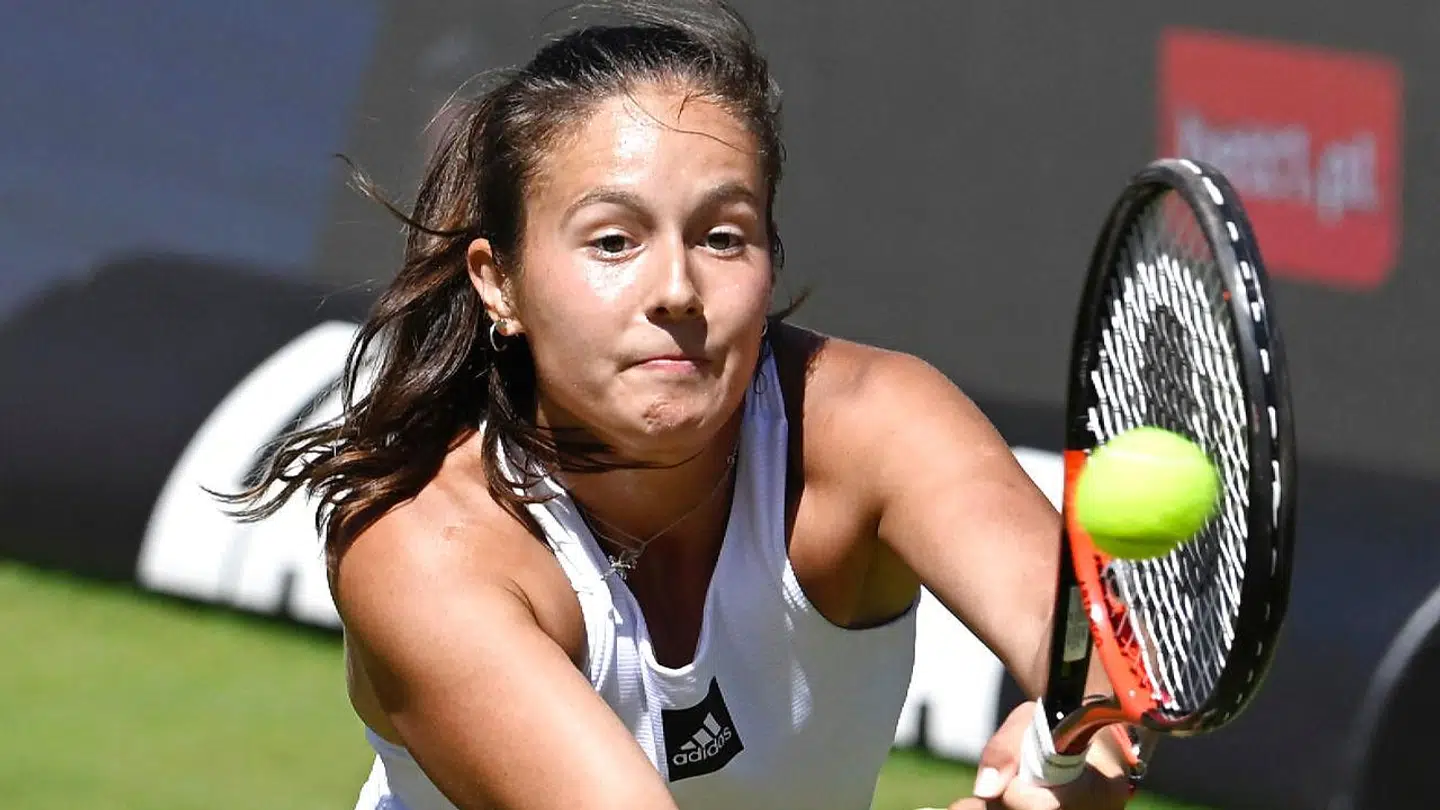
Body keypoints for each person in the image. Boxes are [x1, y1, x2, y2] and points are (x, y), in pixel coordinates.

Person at [235, 2, 1132, 808]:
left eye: (722, 236)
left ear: (770, 258)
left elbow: (1091, 660)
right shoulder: (420, 547)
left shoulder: (877, 424)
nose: (676, 287)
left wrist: (1074, 745)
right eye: (614, 239)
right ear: (497, 282)